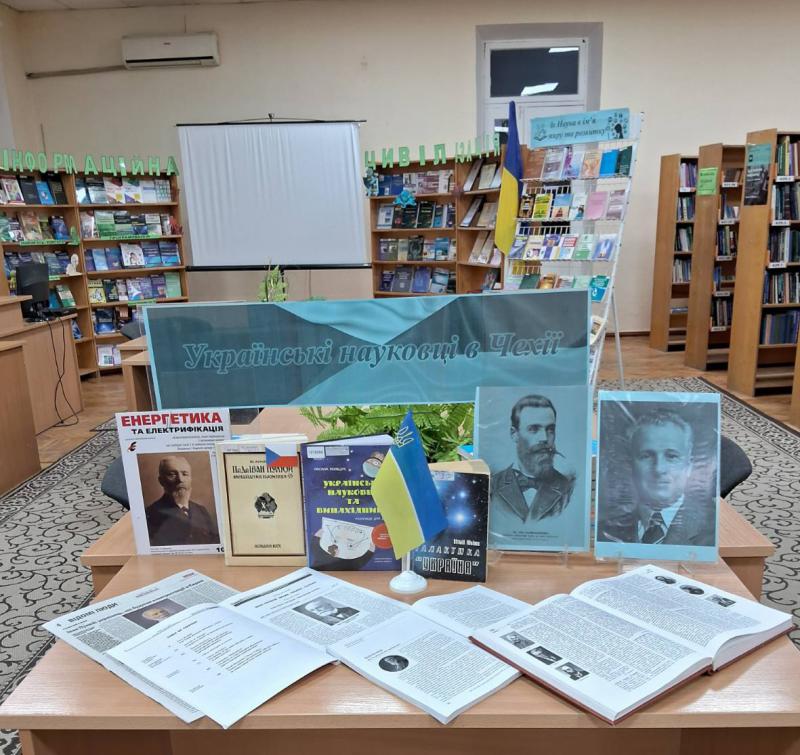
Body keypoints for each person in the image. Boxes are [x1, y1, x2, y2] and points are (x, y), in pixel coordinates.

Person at [598, 410, 715, 546]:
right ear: (631, 465)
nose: (659, 469)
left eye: (671, 456)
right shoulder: (606, 529)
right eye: (646, 456)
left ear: (689, 466)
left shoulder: (711, 531)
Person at [491, 395, 575, 528]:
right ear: (514, 434)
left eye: (550, 430)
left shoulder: (569, 489)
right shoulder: (491, 486)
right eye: (534, 429)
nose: (544, 438)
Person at [146, 455, 219, 546]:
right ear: (161, 481)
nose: (180, 480)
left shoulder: (201, 511)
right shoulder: (151, 514)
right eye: (172, 474)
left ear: (190, 479)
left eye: (185, 474)